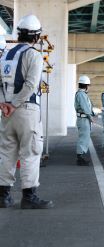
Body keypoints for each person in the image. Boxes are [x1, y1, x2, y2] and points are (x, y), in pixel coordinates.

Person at [0, 14, 53, 209]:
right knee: (30, 152)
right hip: (26, 110)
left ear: (19, 33)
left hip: (6, 113)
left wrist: (4, 104)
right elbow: (31, 85)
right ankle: (29, 197)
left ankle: (3, 196)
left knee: (7, 152)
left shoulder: (5, 53)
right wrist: (14, 103)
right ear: (36, 36)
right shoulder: (34, 54)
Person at [75, 75, 95, 166]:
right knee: (83, 138)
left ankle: (81, 156)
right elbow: (86, 107)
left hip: (83, 118)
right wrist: (90, 117)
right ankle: (80, 158)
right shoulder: (81, 94)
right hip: (83, 119)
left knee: (84, 137)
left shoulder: (81, 94)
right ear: (86, 85)